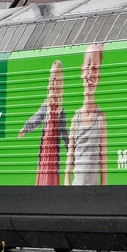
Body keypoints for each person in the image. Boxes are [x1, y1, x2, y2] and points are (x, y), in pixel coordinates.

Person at [17, 60, 66, 185]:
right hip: (45, 148)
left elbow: (65, 132)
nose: (52, 82)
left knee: (52, 173)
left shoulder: (60, 108)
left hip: (54, 151)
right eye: (51, 78)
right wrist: (25, 128)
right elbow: (37, 117)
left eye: (55, 79)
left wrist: (71, 148)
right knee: (44, 173)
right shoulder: (47, 103)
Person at [66, 43, 107, 185]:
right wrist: (65, 184)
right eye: (87, 66)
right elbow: (70, 156)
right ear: (81, 71)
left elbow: (103, 156)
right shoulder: (75, 118)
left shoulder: (100, 118)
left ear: (99, 76)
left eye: (95, 68)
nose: (90, 72)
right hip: (76, 185)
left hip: (94, 188)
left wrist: (104, 186)